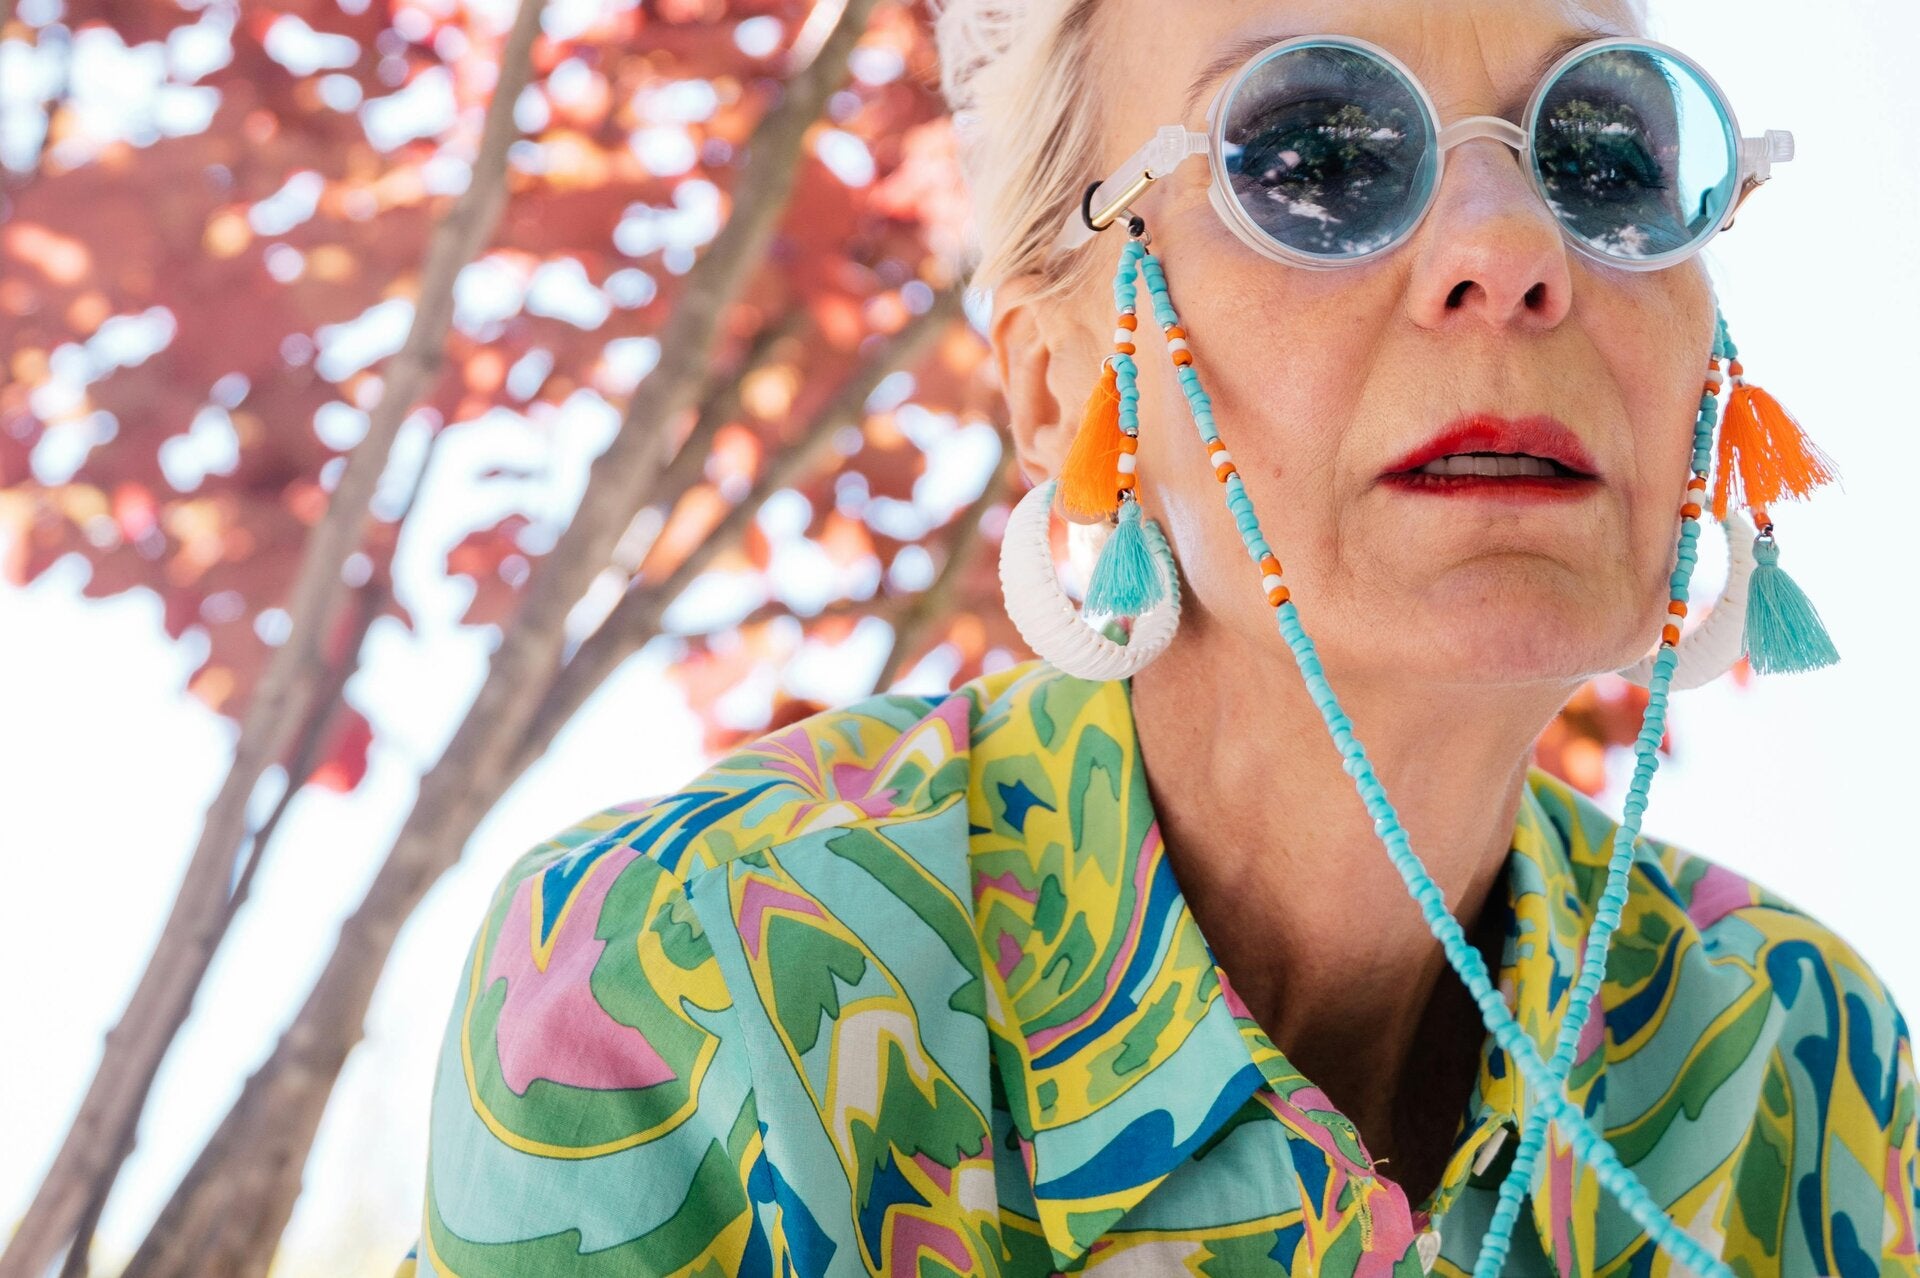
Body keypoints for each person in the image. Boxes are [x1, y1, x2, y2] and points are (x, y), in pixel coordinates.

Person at [395, 0, 1919, 1273]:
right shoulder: (697, 967)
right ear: (1062, 385)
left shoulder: (1806, 1052)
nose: (1519, 246)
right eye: (1317, 156)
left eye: (1605, 157)